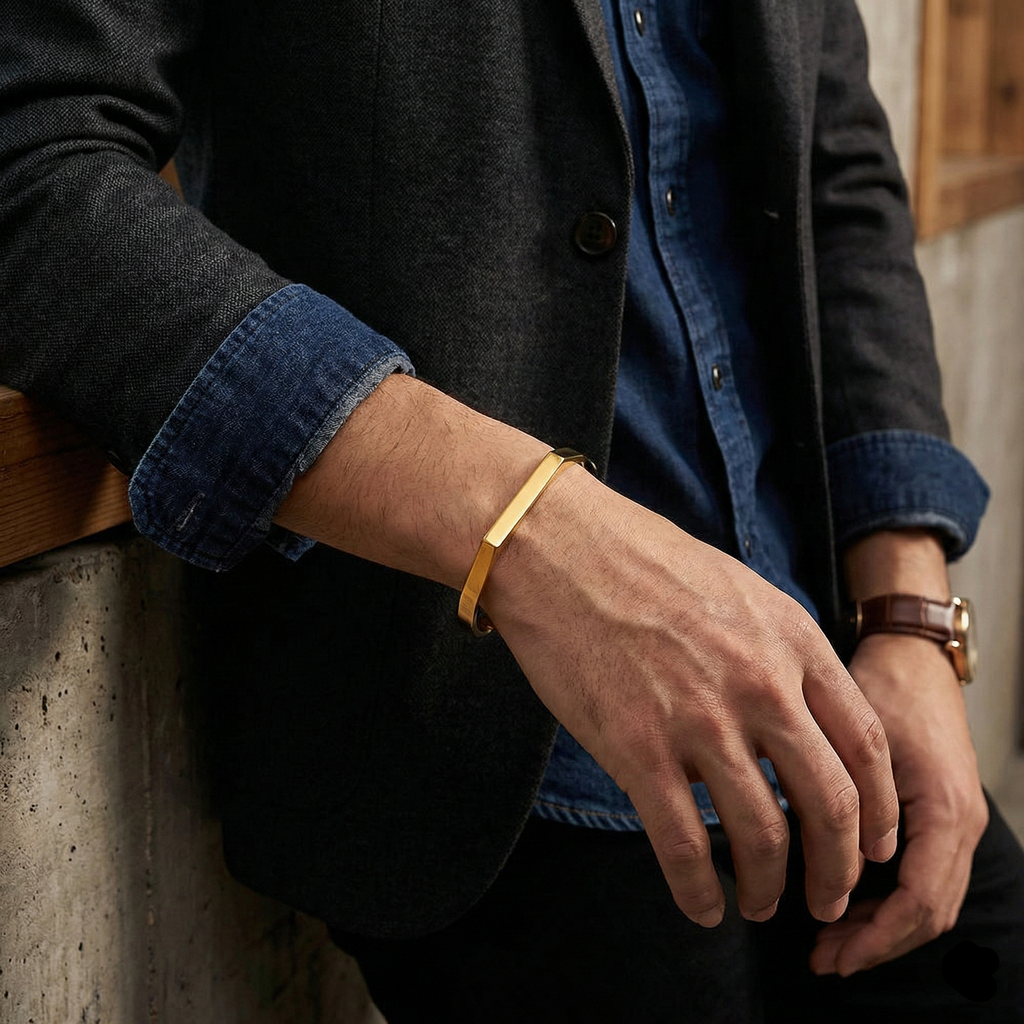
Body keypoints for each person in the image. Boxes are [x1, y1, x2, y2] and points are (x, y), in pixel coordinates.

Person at [1, 0, 1021, 1020]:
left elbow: (836, 168)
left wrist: (909, 617)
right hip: (488, 753)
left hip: (835, 685)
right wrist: (539, 536)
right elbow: (33, 159)